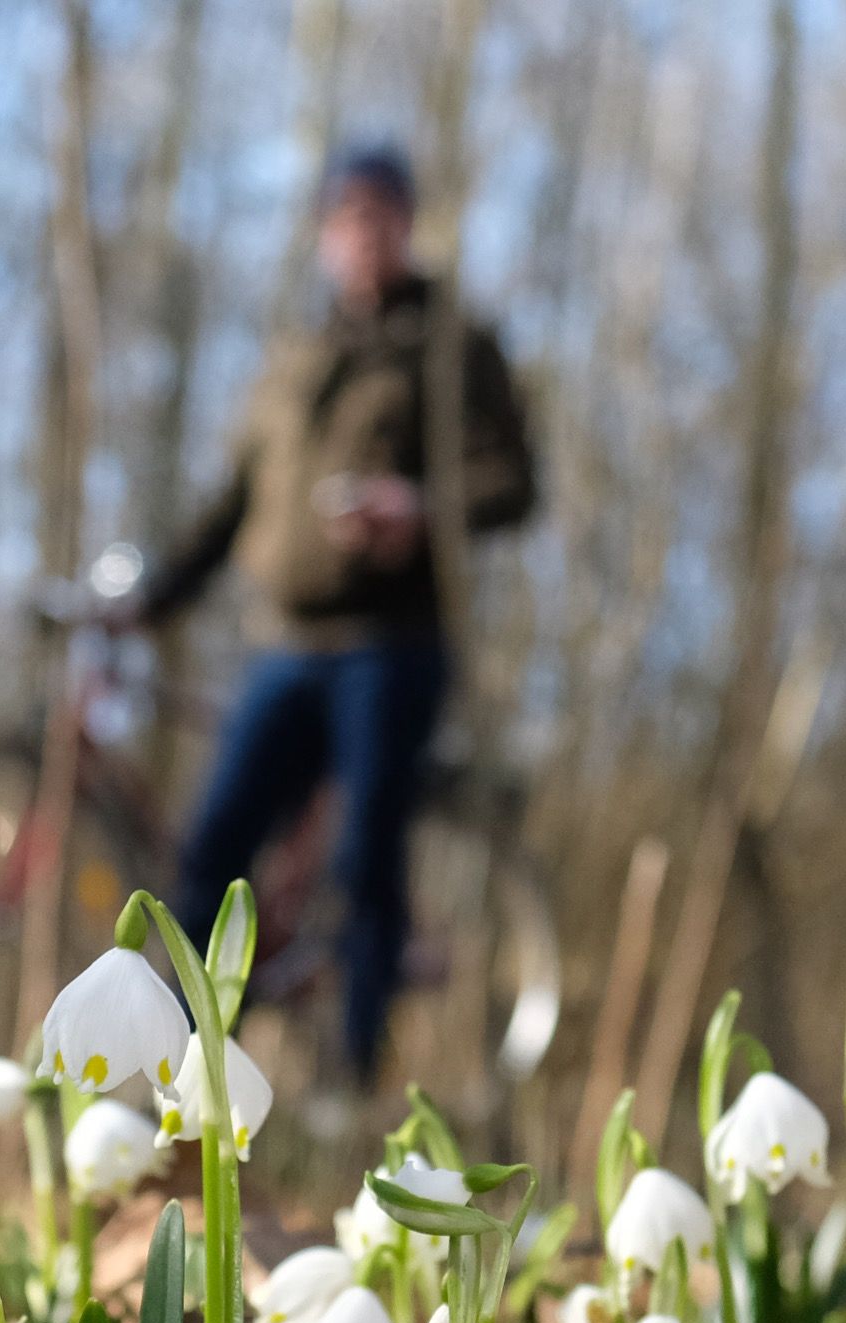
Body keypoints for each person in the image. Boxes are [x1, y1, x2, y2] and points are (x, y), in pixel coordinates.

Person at [128, 143, 537, 1084]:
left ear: (408, 224)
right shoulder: (295, 359)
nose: (365, 234)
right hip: (286, 645)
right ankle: (179, 1081)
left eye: (382, 214)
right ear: (324, 236)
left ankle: (352, 1087)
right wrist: (159, 597)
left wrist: (423, 508)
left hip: (393, 644)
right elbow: (234, 501)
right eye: (346, 217)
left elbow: (513, 483)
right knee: (213, 847)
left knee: (366, 860)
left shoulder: (449, 347)